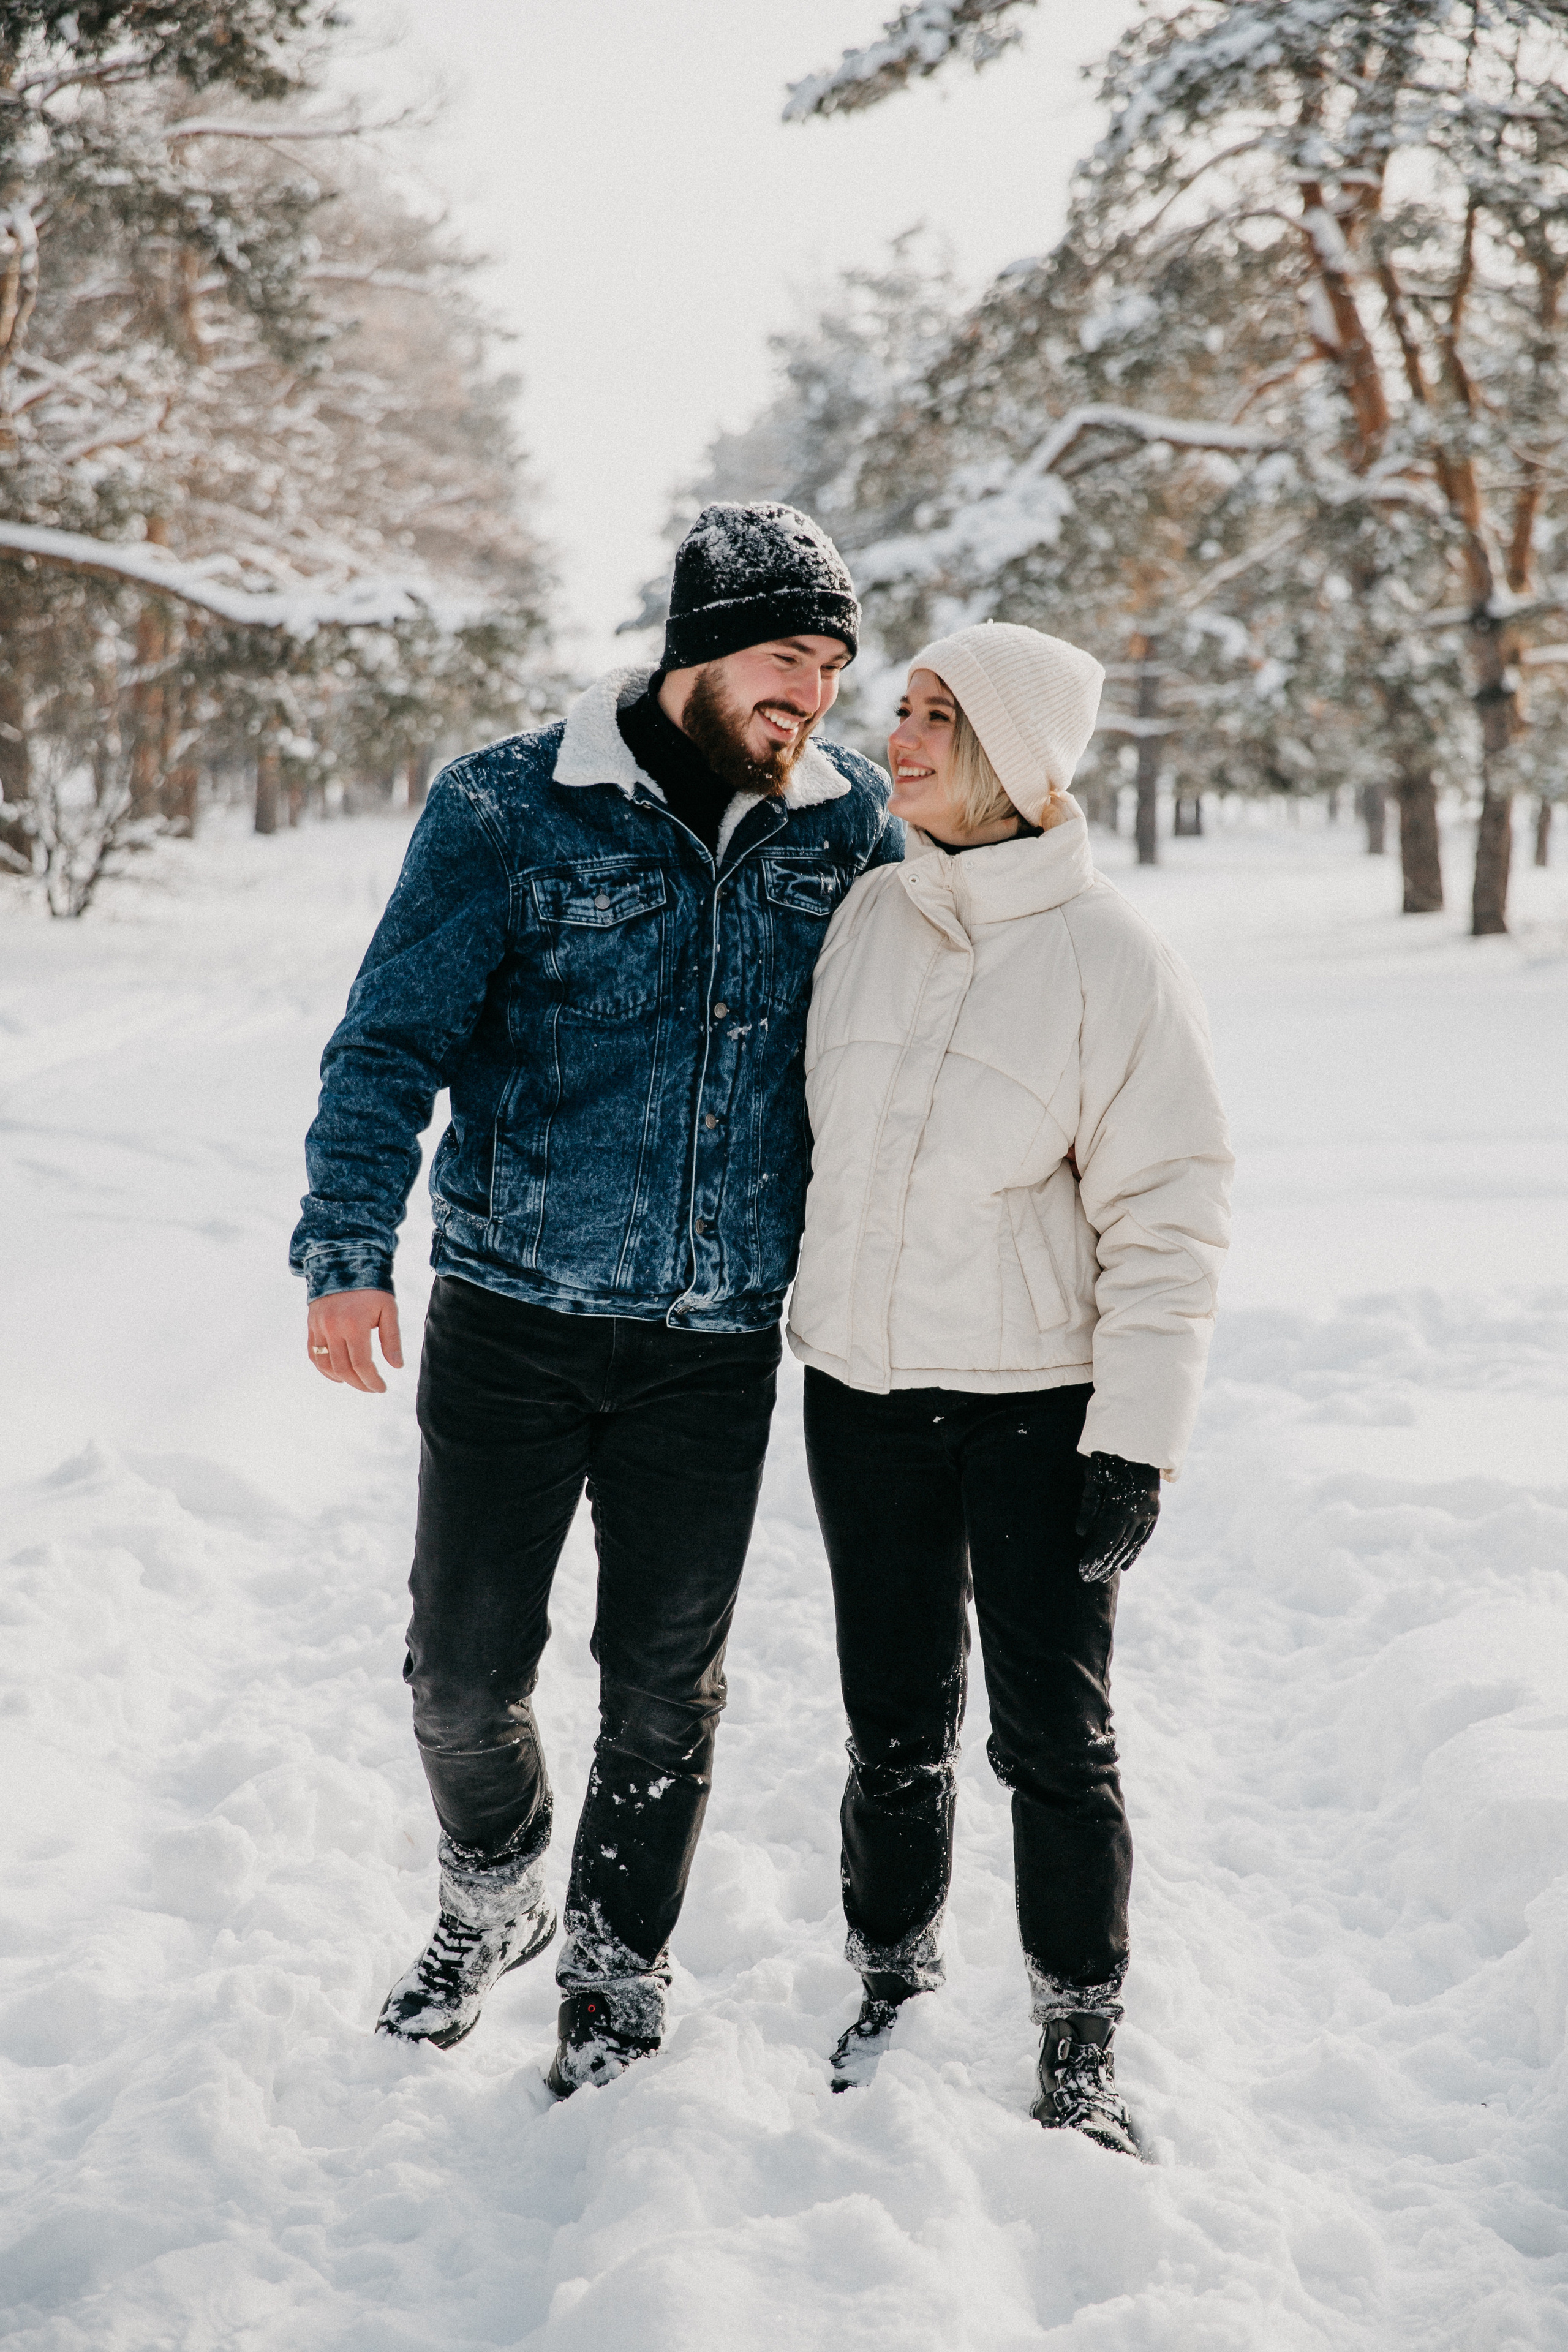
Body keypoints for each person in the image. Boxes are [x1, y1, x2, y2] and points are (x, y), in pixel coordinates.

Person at [291, 503, 899, 2094]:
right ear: (701, 649)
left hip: (715, 1340)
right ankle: (495, 1891)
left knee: (663, 1689)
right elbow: (391, 1040)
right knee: (459, 1678)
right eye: (788, 658)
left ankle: (620, 1972)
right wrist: (347, 1246)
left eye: (833, 669)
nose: (812, 695)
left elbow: (926, 1038)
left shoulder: (848, 825)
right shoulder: (507, 806)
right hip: (512, 1313)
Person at [787, 622, 1232, 2155]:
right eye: (901, 708)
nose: (895, 738)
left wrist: (1135, 1445)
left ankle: (1077, 2038)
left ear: (1015, 757)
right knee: (890, 1723)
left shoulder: (1112, 958)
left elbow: (1168, 1215)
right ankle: (890, 1978)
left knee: (1053, 1736)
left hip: (1037, 1408)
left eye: (936, 718)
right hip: (860, 1391)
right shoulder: (868, 916)